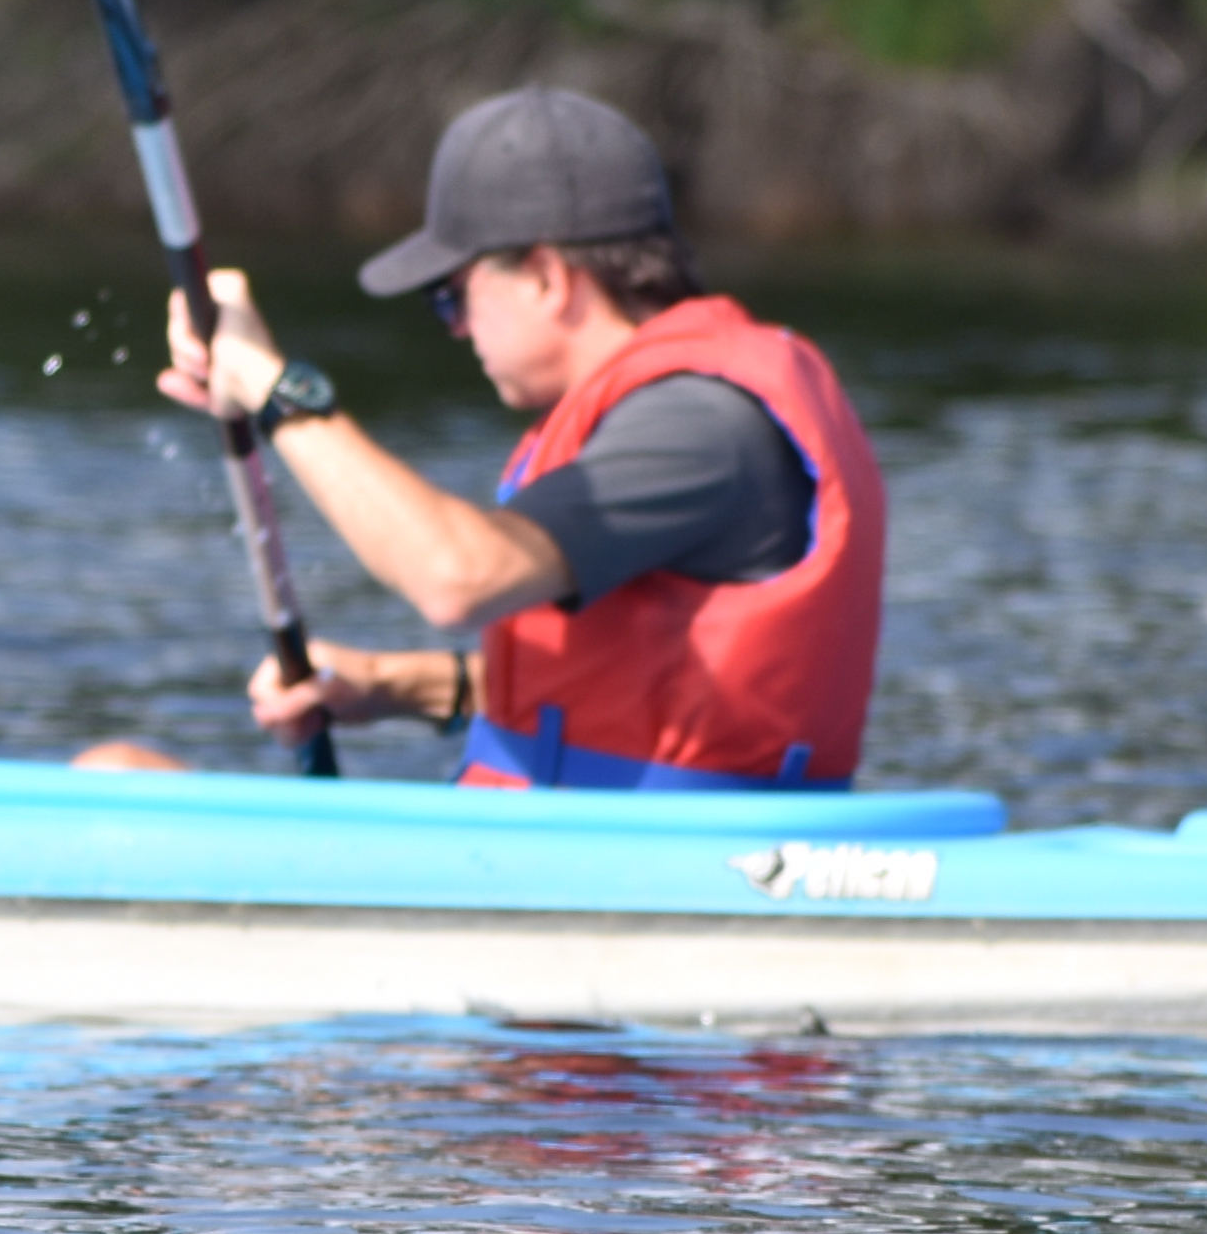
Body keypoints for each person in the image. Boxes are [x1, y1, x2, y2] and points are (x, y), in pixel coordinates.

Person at [151, 87, 886, 788]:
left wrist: (273, 388)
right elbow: (618, 684)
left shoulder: (698, 427)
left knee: (117, 770)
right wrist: (394, 685)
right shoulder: (677, 410)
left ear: (545, 278)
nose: (457, 330)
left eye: (452, 297)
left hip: (649, 852)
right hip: (592, 835)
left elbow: (455, 579)